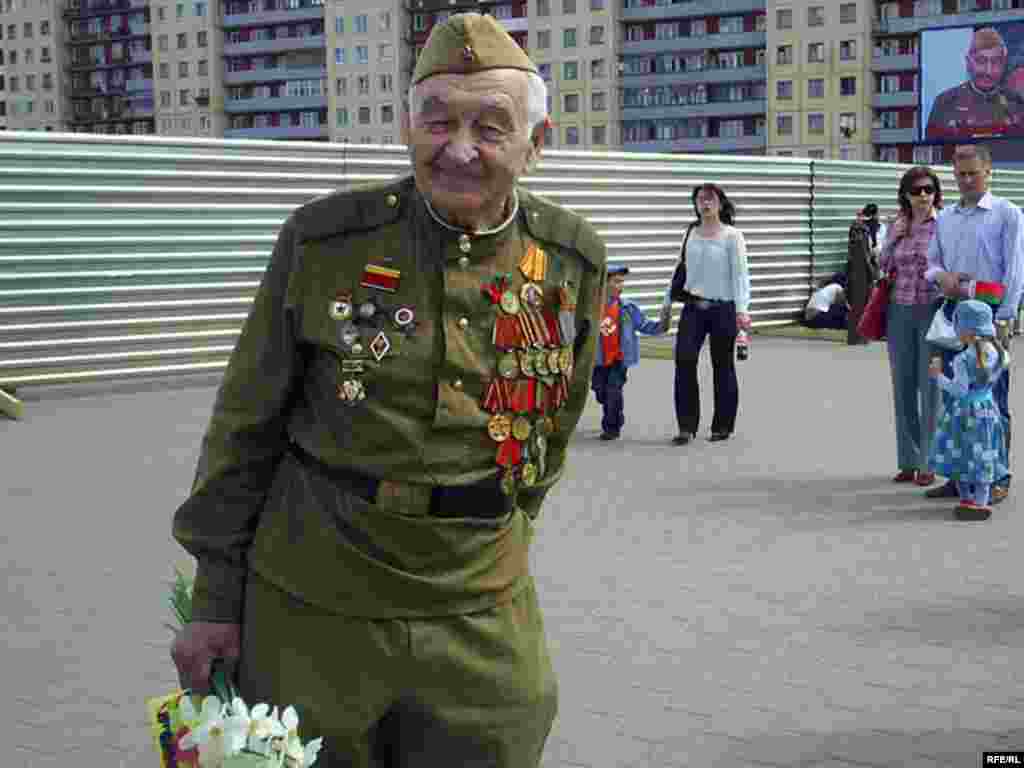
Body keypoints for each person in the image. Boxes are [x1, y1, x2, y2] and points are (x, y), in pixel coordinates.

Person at [169, 13, 607, 767]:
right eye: (438, 121)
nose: (460, 148)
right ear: (408, 129)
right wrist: (214, 600)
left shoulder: (569, 258)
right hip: (314, 603)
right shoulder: (325, 242)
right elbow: (245, 426)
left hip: (480, 606)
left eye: (490, 127)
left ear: (536, 145)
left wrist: (504, 533)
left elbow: (554, 426)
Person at [925, 143, 1024, 506]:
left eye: (973, 173)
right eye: (960, 174)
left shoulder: (1006, 214)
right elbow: (930, 264)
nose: (966, 180)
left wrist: (1004, 319)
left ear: (989, 172)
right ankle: (959, 475)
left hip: (989, 317)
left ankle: (997, 476)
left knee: (991, 401)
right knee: (955, 399)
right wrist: (943, 277)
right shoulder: (946, 217)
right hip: (954, 315)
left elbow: (1015, 271)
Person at [671, 183, 752, 445]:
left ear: (720, 203)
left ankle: (722, 426)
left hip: (723, 308)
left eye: (710, 199)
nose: (705, 204)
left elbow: (741, 275)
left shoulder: (732, 236)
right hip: (693, 307)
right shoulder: (690, 233)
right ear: (695, 204)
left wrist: (742, 310)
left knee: (722, 365)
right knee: (684, 360)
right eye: (700, 199)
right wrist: (665, 303)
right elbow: (679, 268)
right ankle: (686, 426)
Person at [879, 166, 943, 486]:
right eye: (916, 190)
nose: (922, 196)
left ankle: (929, 462)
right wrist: (895, 238)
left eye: (928, 190)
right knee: (902, 386)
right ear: (905, 194)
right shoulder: (897, 224)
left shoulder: (944, 224)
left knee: (930, 387)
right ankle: (907, 459)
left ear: (936, 193)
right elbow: (883, 264)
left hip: (931, 310)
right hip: (898, 310)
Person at [927, 300, 1010, 521]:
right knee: (983, 454)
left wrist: (938, 377)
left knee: (962, 454)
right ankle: (980, 501)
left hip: (965, 414)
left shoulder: (964, 358)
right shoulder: (998, 352)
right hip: (988, 410)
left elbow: (959, 390)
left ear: (966, 330)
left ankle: (966, 499)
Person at [591, 264, 670, 441]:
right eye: (616, 282)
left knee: (614, 391)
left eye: (622, 282)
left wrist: (662, 325)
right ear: (604, 284)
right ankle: (614, 413)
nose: (621, 286)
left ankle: (612, 427)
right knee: (600, 391)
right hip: (598, 359)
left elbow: (645, 325)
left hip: (619, 359)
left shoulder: (628, 308)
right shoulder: (592, 308)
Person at [926, 27, 1024, 140]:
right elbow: (932, 151)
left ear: (1004, 64)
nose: (989, 71)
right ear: (968, 63)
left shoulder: (1017, 102)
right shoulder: (945, 103)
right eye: (981, 61)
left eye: (996, 62)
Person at [846, 203, 883, 345]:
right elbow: (863, 255)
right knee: (860, 305)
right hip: (861, 273)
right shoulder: (860, 230)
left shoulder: (860, 229)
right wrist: (871, 271)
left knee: (860, 304)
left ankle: (859, 337)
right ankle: (858, 337)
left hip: (858, 272)